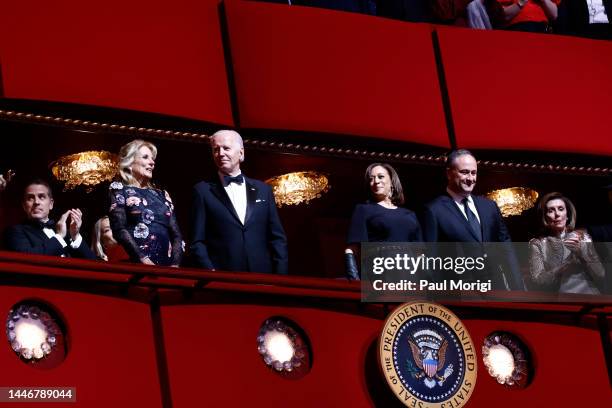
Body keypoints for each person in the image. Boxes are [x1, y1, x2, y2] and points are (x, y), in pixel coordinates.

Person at [423, 149, 524, 290]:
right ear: (449, 173)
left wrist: (518, 288)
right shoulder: (434, 210)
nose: (470, 178)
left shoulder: (489, 206)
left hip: (496, 289)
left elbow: (506, 249)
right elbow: (431, 259)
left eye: (474, 173)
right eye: (464, 172)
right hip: (458, 292)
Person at [190, 129, 288, 274]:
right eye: (216, 149)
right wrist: (212, 273)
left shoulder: (263, 190)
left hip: (264, 279)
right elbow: (197, 241)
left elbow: (277, 238)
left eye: (226, 148)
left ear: (241, 153)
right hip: (225, 281)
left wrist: (281, 278)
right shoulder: (202, 190)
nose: (221, 153)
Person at [109, 140, 183, 267]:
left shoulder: (162, 195)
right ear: (130, 163)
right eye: (145, 157)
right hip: (137, 267)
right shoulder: (120, 190)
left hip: (168, 270)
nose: (152, 162)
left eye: (152, 158)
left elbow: (176, 235)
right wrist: (142, 259)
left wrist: (175, 265)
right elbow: (119, 229)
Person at [344, 163, 422, 280]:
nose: (375, 181)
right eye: (371, 179)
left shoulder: (410, 214)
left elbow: (419, 253)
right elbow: (351, 249)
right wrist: (355, 281)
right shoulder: (363, 210)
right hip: (381, 277)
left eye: (380, 177)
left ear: (392, 181)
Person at [529, 192, 604, 294]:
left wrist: (582, 254)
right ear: (545, 217)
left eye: (561, 209)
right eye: (551, 211)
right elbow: (537, 281)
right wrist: (566, 264)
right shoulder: (538, 243)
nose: (557, 214)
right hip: (561, 299)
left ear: (567, 215)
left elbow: (600, 273)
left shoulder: (583, 237)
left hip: (590, 295)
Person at [5, 179, 96, 259]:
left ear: (51, 204)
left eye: (41, 197)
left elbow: (93, 263)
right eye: (30, 198)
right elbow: (29, 259)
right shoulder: (15, 232)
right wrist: (59, 237)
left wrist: (75, 236)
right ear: (24, 206)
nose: (36, 202)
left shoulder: (65, 233)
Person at [494, 0, 560, 32]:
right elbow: (504, 16)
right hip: (518, 28)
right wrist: (522, 2)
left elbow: (554, 15)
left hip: (543, 27)